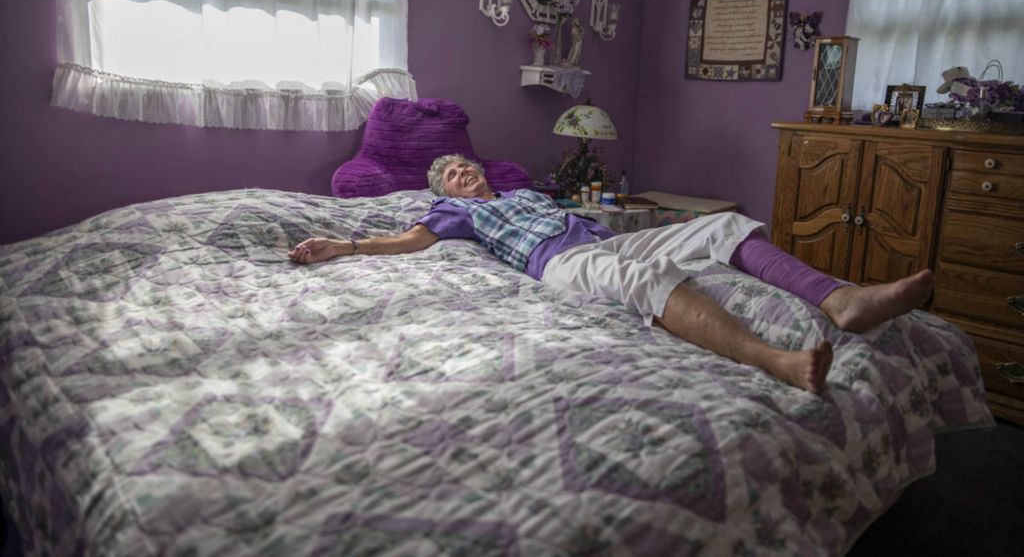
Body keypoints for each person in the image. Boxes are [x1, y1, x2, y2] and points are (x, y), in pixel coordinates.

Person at [290, 154, 933, 394]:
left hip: (603, 237)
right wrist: (343, 246)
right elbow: (408, 241)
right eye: (451, 173)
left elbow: (590, 213)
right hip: (561, 264)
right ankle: (775, 360)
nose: (463, 174)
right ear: (442, 188)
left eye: (466, 167)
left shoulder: (525, 190)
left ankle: (842, 298)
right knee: (647, 283)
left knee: (725, 227)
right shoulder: (453, 211)